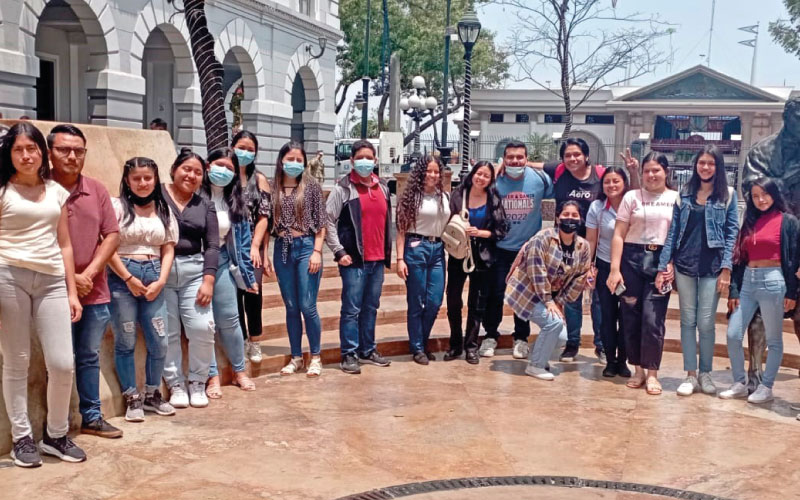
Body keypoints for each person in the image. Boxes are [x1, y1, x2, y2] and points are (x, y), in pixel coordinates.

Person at [0, 122, 86, 467]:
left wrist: (72, 293)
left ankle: (55, 434)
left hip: (51, 279)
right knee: (16, 361)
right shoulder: (3, 190)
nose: (26, 155)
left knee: (63, 363)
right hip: (9, 275)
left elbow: (64, 243)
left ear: (42, 152)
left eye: (31, 148)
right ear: (9, 154)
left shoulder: (54, 191)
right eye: (18, 149)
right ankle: (22, 437)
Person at [46, 124, 123, 438]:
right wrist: (69, 279)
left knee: (89, 356)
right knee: (59, 361)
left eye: (78, 150)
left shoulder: (97, 189)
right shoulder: (41, 189)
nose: (72, 156)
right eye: (64, 149)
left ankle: (91, 416)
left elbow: (112, 235)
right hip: (51, 290)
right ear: (50, 153)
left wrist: (88, 274)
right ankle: (57, 424)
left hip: (94, 290)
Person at [656, 146, 739, 397]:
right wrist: (665, 262)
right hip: (686, 264)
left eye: (710, 163)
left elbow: (731, 234)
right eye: (701, 162)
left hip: (712, 267)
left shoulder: (728, 195)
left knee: (705, 322)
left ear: (718, 167)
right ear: (695, 165)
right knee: (686, 321)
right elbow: (673, 231)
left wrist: (726, 268)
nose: (705, 167)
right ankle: (690, 374)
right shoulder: (685, 194)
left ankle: (706, 373)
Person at [107, 157, 178, 422]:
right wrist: (127, 278)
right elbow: (107, 246)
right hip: (121, 279)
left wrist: (161, 280)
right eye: (136, 178)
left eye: (147, 177)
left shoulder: (163, 209)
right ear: (127, 180)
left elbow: (168, 246)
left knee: (159, 340)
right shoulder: (116, 207)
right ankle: (131, 396)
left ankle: (151, 393)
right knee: (125, 340)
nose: (142, 183)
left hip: (154, 276)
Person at [719, 178, 798, 404]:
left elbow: (793, 257)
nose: (760, 200)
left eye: (764, 194)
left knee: (774, 339)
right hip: (748, 282)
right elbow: (739, 259)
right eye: (755, 196)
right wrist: (734, 290)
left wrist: (792, 292)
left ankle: (766, 386)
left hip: (773, 281)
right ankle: (740, 382)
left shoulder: (788, 222)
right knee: (733, 334)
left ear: (774, 194)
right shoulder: (750, 222)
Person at [607, 152, 678, 396]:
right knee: (631, 315)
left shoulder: (675, 199)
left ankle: (652, 373)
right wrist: (615, 269)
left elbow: (678, 236)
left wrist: (671, 264)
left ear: (666, 172)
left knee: (653, 319)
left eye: (656, 170)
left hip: (661, 261)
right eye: (647, 170)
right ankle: (637, 369)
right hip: (632, 259)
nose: (651, 175)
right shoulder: (631, 197)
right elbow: (619, 234)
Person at [537, 138, 610, 363]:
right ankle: (572, 343)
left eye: (577, 154)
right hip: (567, 244)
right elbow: (534, 165)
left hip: (596, 244)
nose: (572, 159)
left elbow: (620, 190)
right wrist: (501, 165)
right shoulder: (559, 170)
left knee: (598, 297)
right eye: (568, 155)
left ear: (586, 156)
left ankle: (602, 345)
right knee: (571, 296)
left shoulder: (600, 174)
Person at [479, 140, 553, 360]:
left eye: (519, 157)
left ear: (526, 158)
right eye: (510, 157)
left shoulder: (540, 179)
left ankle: (521, 338)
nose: (515, 161)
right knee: (496, 294)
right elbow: (472, 182)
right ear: (504, 158)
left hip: (528, 250)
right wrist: (494, 167)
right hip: (500, 248)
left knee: (525, 297)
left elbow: (559, 184)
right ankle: (491, 335)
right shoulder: (495, 180)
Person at [326, 139, 393, 374]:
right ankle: (349, 353)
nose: (365, 162)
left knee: (371, 307)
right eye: (360, 158)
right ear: (352, 161)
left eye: (369, 157)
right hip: (354, 260)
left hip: (376, 260)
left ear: (375, 160)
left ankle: (368, 349)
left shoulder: (383, 187)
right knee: (352, 309)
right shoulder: (343, 189)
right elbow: (328, 220)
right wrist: (339, 251)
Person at [506, 201, 591, 380]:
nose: (570, 218)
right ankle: (535, 366)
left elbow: (579, 277)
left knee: (561, 337)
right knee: (553, 323)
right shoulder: (543, 238)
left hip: (553, 298)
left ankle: (538, 356)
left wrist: (560, 302)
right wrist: (548, 301)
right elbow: (536, 271)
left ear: (581, 219)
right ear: (557, 217)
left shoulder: (583, 246)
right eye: (565, 214)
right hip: (526, 293)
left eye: (574, 215)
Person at [161, 149, 219, 409]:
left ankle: (198, 381)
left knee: (202, 327)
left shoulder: (205, 205)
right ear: (174, 169)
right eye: (186, 169)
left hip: (194, 271)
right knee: (167, 332)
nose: (191, 175)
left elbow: (213, 245)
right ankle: (175, 383)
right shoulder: (157, 195)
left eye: (197, 172)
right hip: (160, 271)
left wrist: (208, 280)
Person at [202, 148, 258, 397]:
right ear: (207, 165)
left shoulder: (236, 201)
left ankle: (239, 371)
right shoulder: (193, 196)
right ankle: (212, 375)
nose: (223, 171)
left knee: (230, 319)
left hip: (224, 260)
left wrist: (248, 277)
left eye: (229, 168)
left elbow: (243, 244)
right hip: (196, 262)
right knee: (205, 323)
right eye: (219, 165)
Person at [271, 142, 327, 377]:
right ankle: (296, 356)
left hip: (305, 246)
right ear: (281, 160)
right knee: (291, 306)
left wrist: (317, 251)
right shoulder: (273, 187)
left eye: (298, 160)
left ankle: (315, 356)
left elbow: (322, 222)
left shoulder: (311, 187)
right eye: (290, 159)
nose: (294, 164)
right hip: (282, 249)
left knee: (307, 304)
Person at [444, 161, 508, 364]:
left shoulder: (493, 198)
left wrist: (481, 233)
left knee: (477, 303)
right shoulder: (458, 194)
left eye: (486, 176)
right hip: (458, 253)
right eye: (478, 173)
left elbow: (502, 230)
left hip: (483, 255)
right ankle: (455, 344)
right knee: (453, 300)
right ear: (472, 174)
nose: (481, 178)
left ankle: (471, 345)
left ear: (491, 180)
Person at [396, 155, 451, 365]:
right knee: (416, 301)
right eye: (429, 171)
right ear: (421, 172)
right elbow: (401, 230)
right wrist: (400, 258)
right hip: (416, 247)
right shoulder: (411, 197)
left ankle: (422, 340)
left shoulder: (443, 196)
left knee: (435, 301)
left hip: (437, 249)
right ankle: (418, 347)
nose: (433, 175)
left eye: (436, 171)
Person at [585, 166, 631, 378]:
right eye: (607, 182)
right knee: (607, 315)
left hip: (630, 268)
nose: (611, 185)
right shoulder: (597, 207)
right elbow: (592, 239)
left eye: (616, 181)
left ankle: (623, 360)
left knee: (627, 316)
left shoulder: (633, 203)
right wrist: (588, 266)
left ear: (624, 183)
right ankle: (610, 360)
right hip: (604, 265)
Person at [231, 130, 271, 364]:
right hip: (229, 244)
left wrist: (257, 247)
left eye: (250, 149)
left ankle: (255, 342)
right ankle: (241, 339)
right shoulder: (226, 175)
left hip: (251, 244)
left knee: (253, 294)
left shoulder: (259, 179)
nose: (245, 153)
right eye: (241, 147)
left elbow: (264, 216)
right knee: (232, 296)